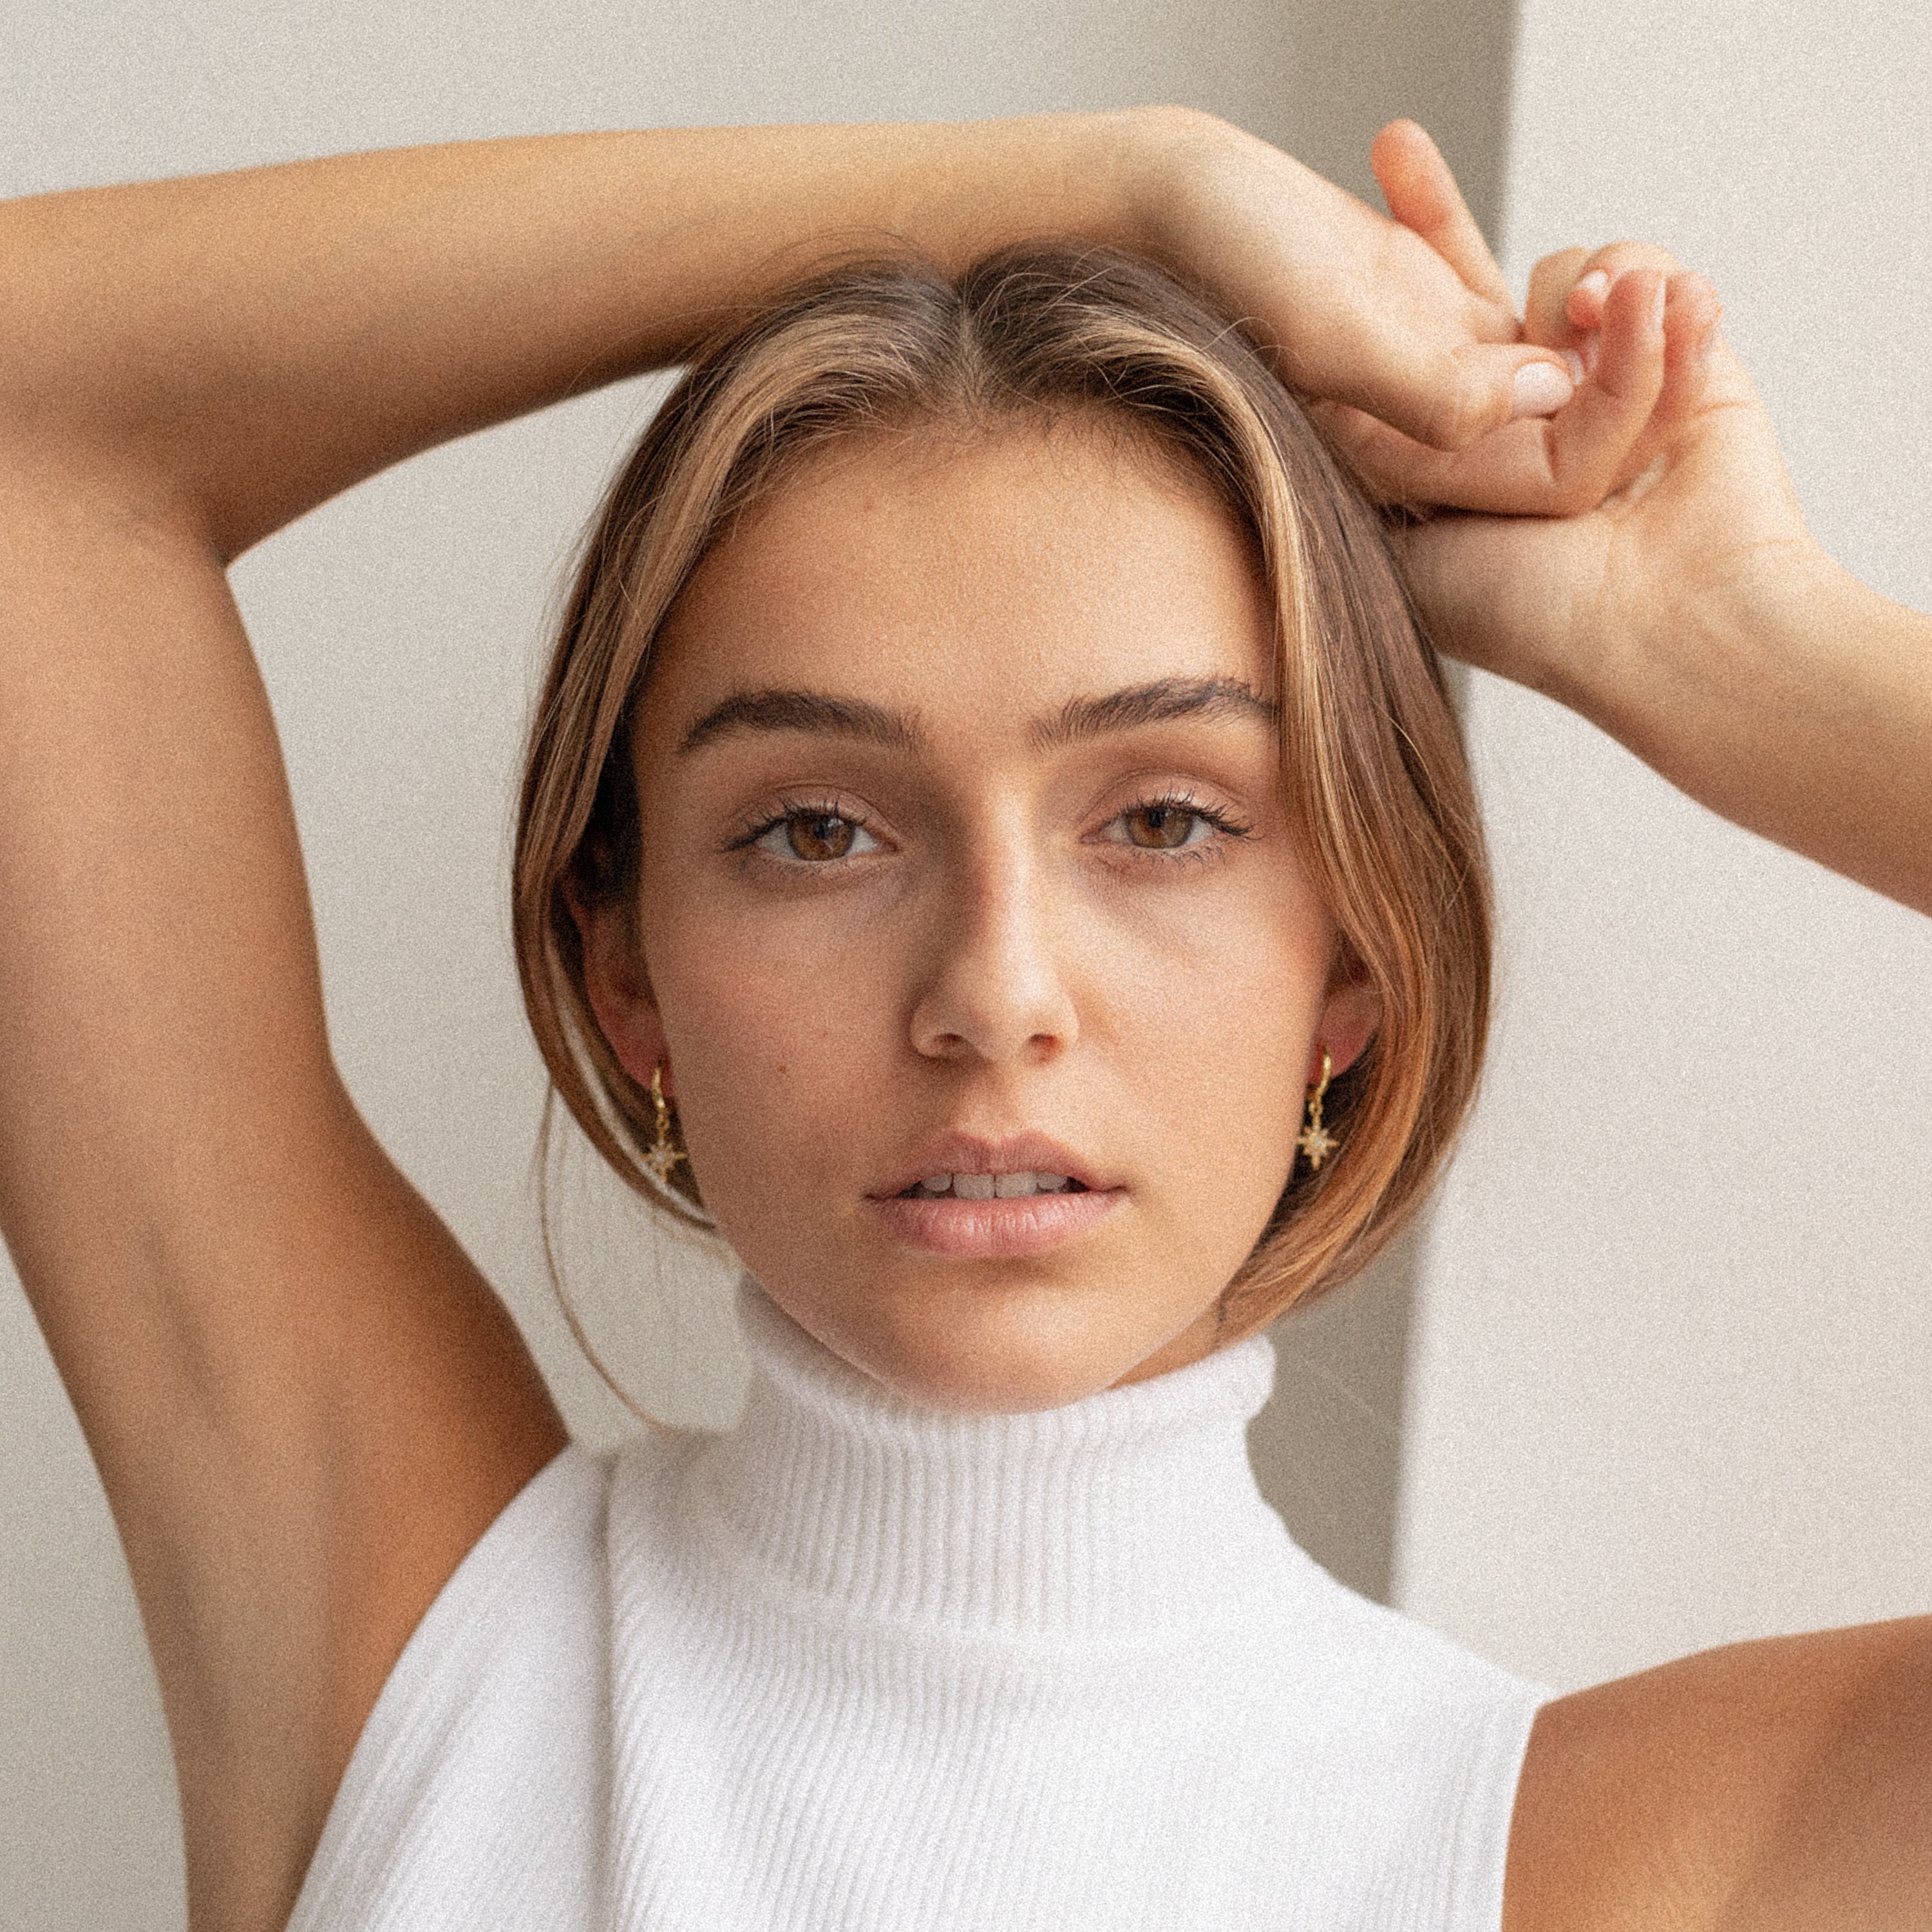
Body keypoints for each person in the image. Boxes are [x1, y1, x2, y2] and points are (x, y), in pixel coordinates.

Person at [0, 106, 1925, 1932]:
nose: (995, 996)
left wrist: (1725, 644)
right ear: (630, 973)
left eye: (1163, 820)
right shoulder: (414, 1649)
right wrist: (1110, 181)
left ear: (1359, 957)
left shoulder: (1593, 1857)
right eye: (818, 830)